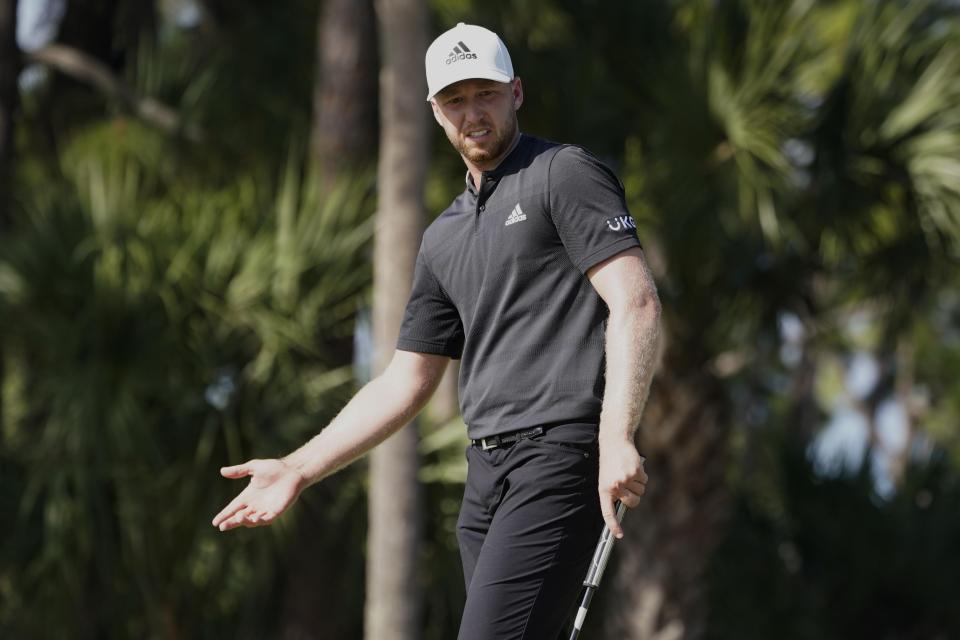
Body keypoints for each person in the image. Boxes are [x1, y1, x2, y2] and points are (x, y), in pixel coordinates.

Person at [212, 22, 661, 639]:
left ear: (517, 92)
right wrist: (297, 467)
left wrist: (616, 436)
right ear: (434, 111)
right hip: (484, 480)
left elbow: (634, 303)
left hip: (560, 458)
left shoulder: (564, 173)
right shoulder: (443, 235)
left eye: (486, 92)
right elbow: (405, 381)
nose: (472, 112)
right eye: (455, 99)